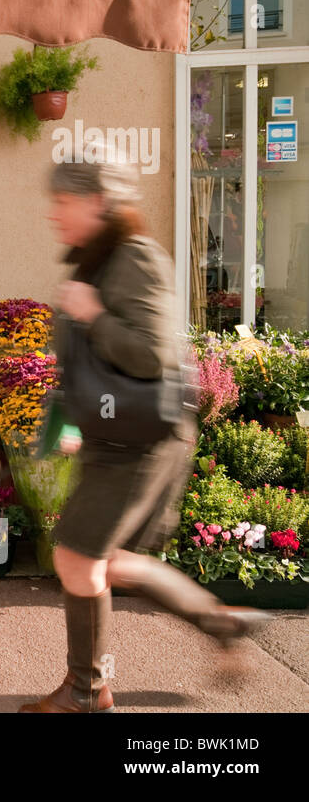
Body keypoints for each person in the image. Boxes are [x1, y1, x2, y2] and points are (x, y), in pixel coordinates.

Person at [20, 150, 268, 714]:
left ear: (98, 202)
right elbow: (90, 366)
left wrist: (92, 315)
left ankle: (86, 692)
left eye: (63, 201)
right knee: (108, 562)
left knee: (78, 559)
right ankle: (221, 623)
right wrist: (74, 419)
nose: (54, 214)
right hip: (117, 434)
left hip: (142, 440)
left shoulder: (135, 259)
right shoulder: (97, 260)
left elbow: (152, 355)